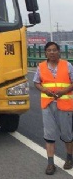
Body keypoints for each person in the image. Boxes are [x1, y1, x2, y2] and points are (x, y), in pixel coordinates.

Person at [33, 42, 73, 175]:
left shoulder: (67, 65)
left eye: (54, 50)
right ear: (45, 53)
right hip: (48, 105)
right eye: (49, 50)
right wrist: (44, 89)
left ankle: (69, 159)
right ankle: (50, 164)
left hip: (65, 105)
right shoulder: (41, 67)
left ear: (59, 52)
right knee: (49, 135)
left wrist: (63, 92)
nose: (52, 52)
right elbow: (36, 82)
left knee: (67, 134)